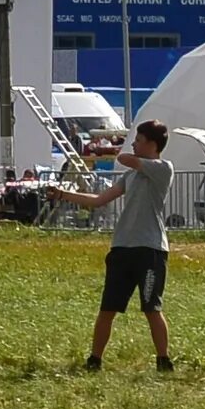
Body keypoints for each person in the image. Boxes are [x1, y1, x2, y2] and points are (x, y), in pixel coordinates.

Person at [46, 119, 174, 373]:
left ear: (152, 144)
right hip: (122, 248)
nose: (134, 145)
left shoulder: (163, 167)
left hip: (150, 249)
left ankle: (163, 360)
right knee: (107, 308)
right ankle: (95, 359)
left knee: (151, 307)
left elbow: (127, 158)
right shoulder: (131, 176)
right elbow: (98, 200)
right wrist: (63, 194)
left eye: (138, 140)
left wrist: (107, 149)